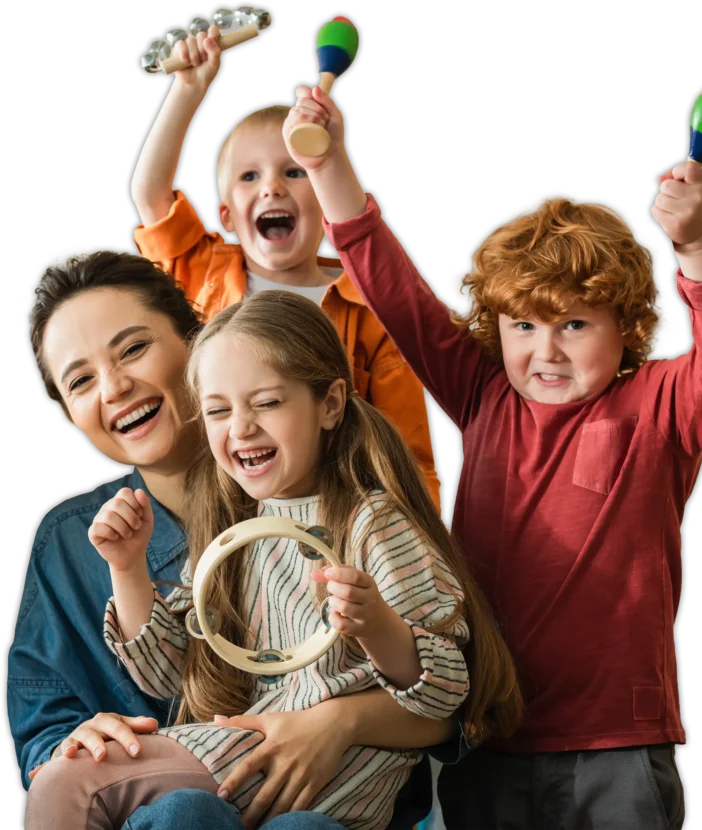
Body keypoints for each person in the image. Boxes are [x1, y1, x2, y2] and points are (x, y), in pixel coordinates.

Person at [268, 85, 702, 829]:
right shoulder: (482, 391)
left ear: (628, 326)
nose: (546, 350)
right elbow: (391, 288)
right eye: (523, 324)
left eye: (573, 323)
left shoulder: (659, 402)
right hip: (487, 735)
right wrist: (332, 160)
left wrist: (697, 244)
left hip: (618, 745)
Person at [9, 247, 476, 829]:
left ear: (193, 345)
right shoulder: (75, 541)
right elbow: (68, 719)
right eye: (80, 380)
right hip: (204, 789)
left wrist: (344, 718)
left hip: (330, 792)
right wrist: (73, 740)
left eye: (134, 348)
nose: (115, 387)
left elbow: (452, 697)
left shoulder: (353, 517)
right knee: (170, 809)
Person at [129, 26, 441, 509]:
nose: (271, 188)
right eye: (250, 176)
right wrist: (188, 89)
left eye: (294, 171)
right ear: (227, 216)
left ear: (323, 199)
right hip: (222, 511)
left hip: (335, 516)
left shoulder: (369, 306)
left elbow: (409, 454)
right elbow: (149, 196)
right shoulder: (205, 272)